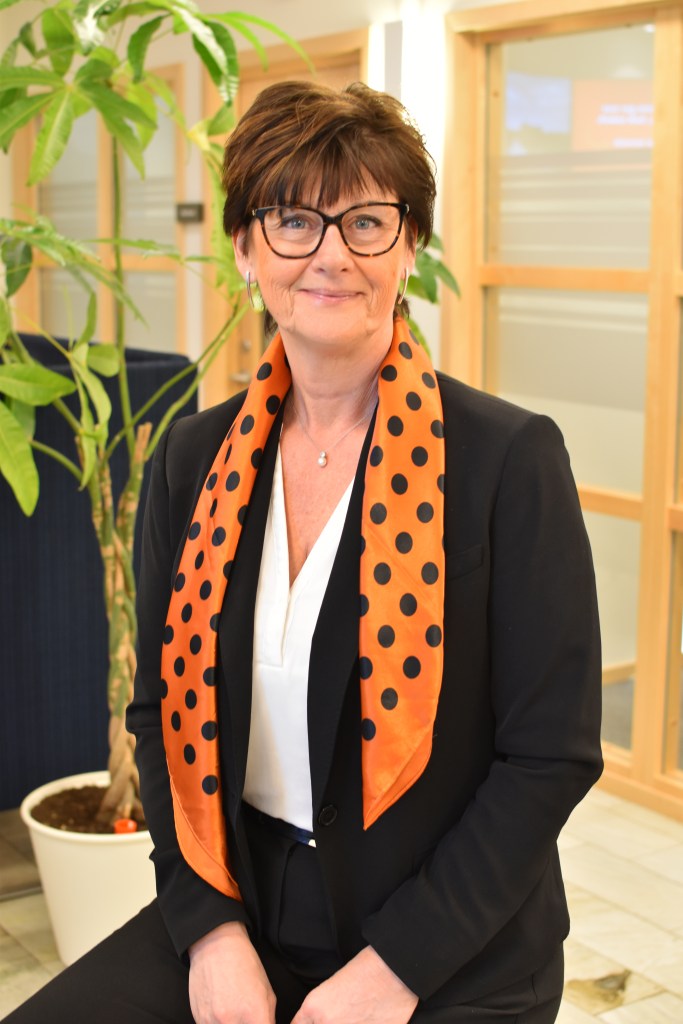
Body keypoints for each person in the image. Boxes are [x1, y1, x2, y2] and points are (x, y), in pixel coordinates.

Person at [5, 80, 602, 1024]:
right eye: (292, 220)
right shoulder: (191, 458)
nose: (331, 254)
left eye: (365, 222)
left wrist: (391, 972)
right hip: (242, 904)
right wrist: (210, 933)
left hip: (451, 943)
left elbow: (549, 757)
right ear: (246, 249)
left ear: (408, 245)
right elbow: (158, 711)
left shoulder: (506, 459)